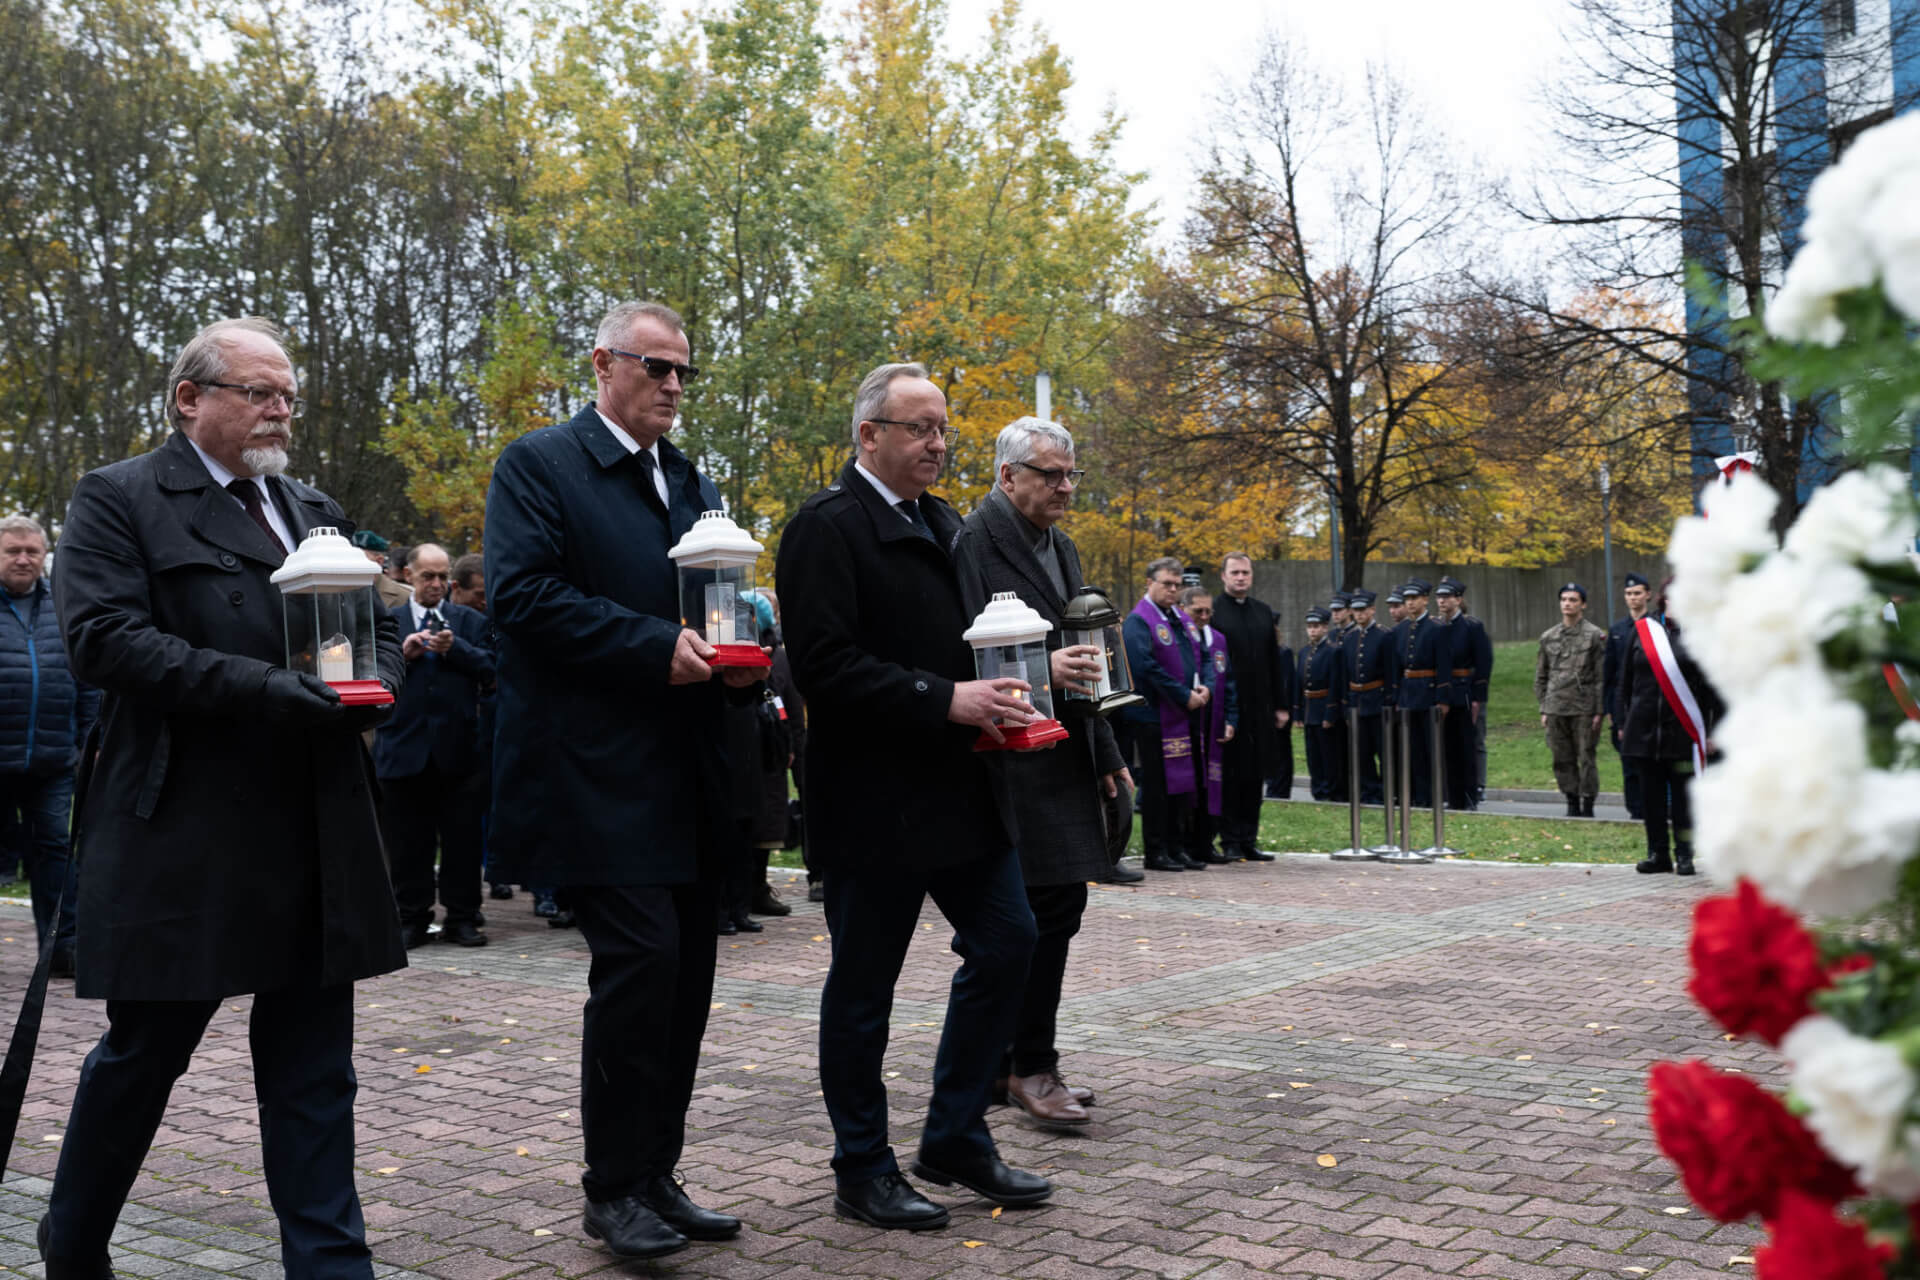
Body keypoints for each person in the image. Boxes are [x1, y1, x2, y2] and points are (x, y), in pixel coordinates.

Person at [42, 317, 405, 1279]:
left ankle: (332, 1267)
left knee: (316, 1073)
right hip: (186, 824)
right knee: (143, 1057)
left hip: (315, 820)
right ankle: (71, 1243)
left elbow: (358, 627)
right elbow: (106, 642)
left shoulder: (311, 507)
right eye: (256, 390)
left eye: (286, 392)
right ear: (189, 399)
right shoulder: (119, 498)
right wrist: (272, 693)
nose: (279, 407)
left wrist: (376, 679)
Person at [485, 300, 757, 1260]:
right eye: (656, 367)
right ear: (603, 364)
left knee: (686, 978)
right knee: (640, 967)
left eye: (685, 371)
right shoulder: (539, 465)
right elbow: (520, 596)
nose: (674, 386)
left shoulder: (690, 481)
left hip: (687, 769)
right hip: (593, 770)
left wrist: (737, 654)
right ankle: (611, 1188)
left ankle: (655, 1174)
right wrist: (655, 647)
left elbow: (714, 596)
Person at [776, 361, 1045, 1232]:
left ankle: (955, 1134)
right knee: (864, 992)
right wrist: (945, 700)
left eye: (942, 430)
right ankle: (862, 1166)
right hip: (872, 798)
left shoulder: (944, 521)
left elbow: (970, 643)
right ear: (869, 436)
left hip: (962, 784)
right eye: (920, 428)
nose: (937, 444)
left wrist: (1028, 681)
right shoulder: (825, 527)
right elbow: (823, 664)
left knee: (1009, 942)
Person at [951, 416, 1131, 1130]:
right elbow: (959, 652)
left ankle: (1009, 1063)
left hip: (1066, 752)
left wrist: (1109, 757)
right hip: (1009, 757)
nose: (1064, 487)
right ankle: (1030, 1066)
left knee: (1055, 914)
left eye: (1070, 475)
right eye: (1050, 475)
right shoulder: (972, 542)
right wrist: (1040, 670)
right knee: (1026, 920)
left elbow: (1087, 656)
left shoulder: (1063, 545)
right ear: (1007, 476)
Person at [375, 542, 496, 949]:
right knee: (409, 844)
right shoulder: (389, 621)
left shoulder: (468, 620)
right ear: (408, 575)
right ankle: (412, 918)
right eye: (429, 576)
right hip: (403, 751)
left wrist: (456, 648)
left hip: (459, 753)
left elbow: (493, 669)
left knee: (462, 844)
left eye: (444, 576)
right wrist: (404, 656)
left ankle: (461, 919)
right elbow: (371, 675)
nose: (438, 584)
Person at [0, 514, 98, 979]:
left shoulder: (65, 607)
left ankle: (63, 951)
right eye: (12, 550)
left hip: (54, 760)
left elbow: (88, 680)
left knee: (56, 853)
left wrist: (88, 742)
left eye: (31, 551)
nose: (22, 558)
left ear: (44, 556)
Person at [1616, 586, 1721, 875]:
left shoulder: (1702, 636)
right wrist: (1622, 721)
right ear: (1664, 599)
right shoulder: (1643, 630)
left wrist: (1712, 731)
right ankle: (1657, 854)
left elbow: (1714, 690)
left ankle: (1684, 855)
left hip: (1682, 731)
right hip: (1644, 728)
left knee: (1684, 800)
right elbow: (1624, 681)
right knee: (1651, 799)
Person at [1122, 558, 1208, 871]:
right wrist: (1182, 694)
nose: (1173, 590)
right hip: (1153, 717)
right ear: (1149, 582)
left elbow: (1197, 658)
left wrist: (1201, 687)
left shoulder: (1178, 620)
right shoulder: (1138, 621)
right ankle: (1156, 851)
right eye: (1166, 584)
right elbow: (1145, 667)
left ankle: (1177, 846)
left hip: (1183, 713)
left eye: (1177, 585)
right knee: (1158, 787)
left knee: (1181, 785)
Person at [1213, 553, 1283, 859]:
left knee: (1255, 776)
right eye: (1235, 572)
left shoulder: (1263, 612)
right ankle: (1229, 839)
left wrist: (1281, 706)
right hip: (1228, 708)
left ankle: (1248, 838)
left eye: (1245, 572)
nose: (1241, 577)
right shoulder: (1213, 612)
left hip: (1260, 709)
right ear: (1224, 576)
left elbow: (1274, 663)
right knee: (1230, 775)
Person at [1536, 582, 1607, 817]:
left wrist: (1599, 710)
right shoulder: (1548, 637)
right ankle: (1571, 801)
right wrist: (1544, 708)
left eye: (1573, 600)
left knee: (1586, 756)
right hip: (1556, 706)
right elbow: (1542, 676)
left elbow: (1600, 677)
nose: (1568, 604)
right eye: (1564, 599)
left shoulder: (1595, 636)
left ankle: (1587, 803)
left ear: (1583, 604)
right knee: (1561, 756)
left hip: (1584, 707)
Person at [1178, 585, 1237, 864]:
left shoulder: (1219, 640)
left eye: (1207, 611)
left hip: (1213, 722)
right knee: (1191, 784)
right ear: (1184, 609)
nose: (1202, 616)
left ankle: (1206, 842)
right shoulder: (1180, 637)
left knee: (1212, 784)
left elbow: (1230, 682)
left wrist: (1230, 719)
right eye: (1196, 611)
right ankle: (1186, 843)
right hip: (1188, 721)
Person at [1433, 578, 1487, 810]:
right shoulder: (1435, 627)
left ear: (1458, 599)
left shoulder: (1471, 627)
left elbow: (1483, 664)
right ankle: (1451, 795)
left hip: (1464, 691)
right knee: (1446, 747)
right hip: (1442, 693)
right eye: (1439, 596)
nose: (1443, 600)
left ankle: (1468, 795)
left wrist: (1478, 697)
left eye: (1448, 596)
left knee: (1466, 745)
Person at [1604, 572, 1653, 821]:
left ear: (1648, 595)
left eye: (1637, 593)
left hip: (1648, 702)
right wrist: (1609, 710)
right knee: (1628, 762)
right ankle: (1634, 809)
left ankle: (1652, 807)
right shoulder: (1617, 631)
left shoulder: (1657, 626)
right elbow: (1609, 674)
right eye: (1628, 594)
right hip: (1623, 706)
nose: (1633, 598)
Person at [1391, 579, 1444, 807]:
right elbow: (1396, 666)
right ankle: (1417, 795)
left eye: (1414, 599)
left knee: (1431, 750)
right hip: (1408, 695)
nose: (1410, 603)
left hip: (1429, 693)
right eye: (1407, 599)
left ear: (1425, 599)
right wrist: (1396, 697)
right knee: (1411, 750)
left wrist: (1442, 697)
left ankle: (1433, 796)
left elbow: (1444, 665)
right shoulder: (1401, 629)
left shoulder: (1437, 628)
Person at [1338, 589, 1392, 804]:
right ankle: (1369, 791)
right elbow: (1345, 672)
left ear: (1372, 610)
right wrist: (1346, 701)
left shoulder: (1384, 635)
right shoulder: (1350, 638)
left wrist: (1389, 700)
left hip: (1377, 699)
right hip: (1357, 701)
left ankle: (1386, 790)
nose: (1359, 615)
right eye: (1356, 611)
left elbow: (1390, 671)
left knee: (1383, 749)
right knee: (1362, 752)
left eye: (1362, 610)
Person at [1296, 607, 1344, 801]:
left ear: (1325, 628)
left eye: (1316, 627)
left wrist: (1330, 713)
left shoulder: (1333, 651)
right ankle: (1318, 790)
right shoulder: (1305, 651)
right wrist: (1298, 713)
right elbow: (1299, 683)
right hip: (1309, 709)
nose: (1312, 631)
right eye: (1309, 627)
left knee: (1328, 755)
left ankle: (1331, 791)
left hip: (1324, 707)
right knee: (1313, 754)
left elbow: (1335, 684)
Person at [351, 529, 413, 609]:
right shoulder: (339, 593)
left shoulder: (405, 596)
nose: (351, 562)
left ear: (379, 561)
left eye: (358, 557)